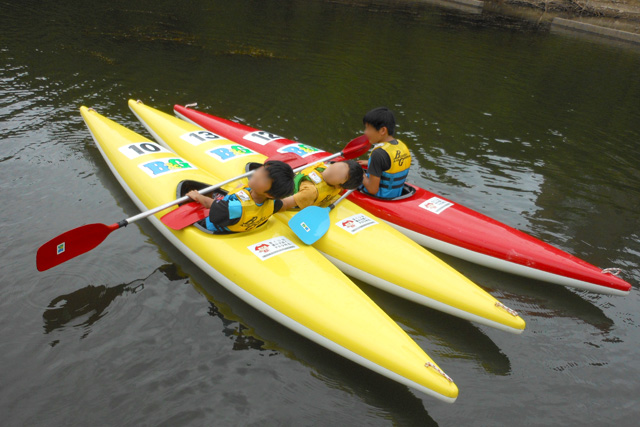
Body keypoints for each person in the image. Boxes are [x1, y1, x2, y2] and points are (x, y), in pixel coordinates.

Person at [186, 160, 294, 233]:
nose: (257, 174)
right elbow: (284, 204)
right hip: (235, 221)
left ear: (269, 194)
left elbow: (208, 204)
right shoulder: (274, 203)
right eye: (262, 170)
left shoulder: (236, 208)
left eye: (264, 178)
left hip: (213, 226)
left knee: (207, 200)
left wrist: (198, 196)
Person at [359, 107, 411, 199]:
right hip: (397, 195)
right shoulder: (401, 146)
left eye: (368, 128)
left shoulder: (378, 154)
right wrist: (369, 163)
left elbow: (372, 190)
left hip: (379, 197)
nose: (365, 132)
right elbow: (392, 164)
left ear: (383, 130)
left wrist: (360, 173)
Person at [281, 160, 364, 210]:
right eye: (343, 165)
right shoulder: (324, 167)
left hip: (287, 194)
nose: (339, 169)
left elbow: (284, 204)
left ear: (339, 186)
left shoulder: (311, 192)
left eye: (344, 176)